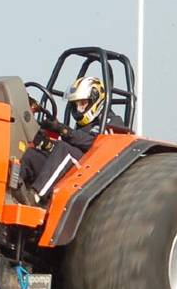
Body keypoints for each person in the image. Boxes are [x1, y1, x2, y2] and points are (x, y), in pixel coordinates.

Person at [18, 76, 110, 204]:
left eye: (82, 103)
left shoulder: (110, 121)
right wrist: (46, 142)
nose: (78, 109)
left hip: (93, 171)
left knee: (65, 150)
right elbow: (69, 142)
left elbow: (94, 143)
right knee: (31, 154)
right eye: (76, 104)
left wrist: (62, 129)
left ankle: (34, 197)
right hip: (72, 167)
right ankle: (14, 189)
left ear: (95, 100)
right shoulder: (82, 126)